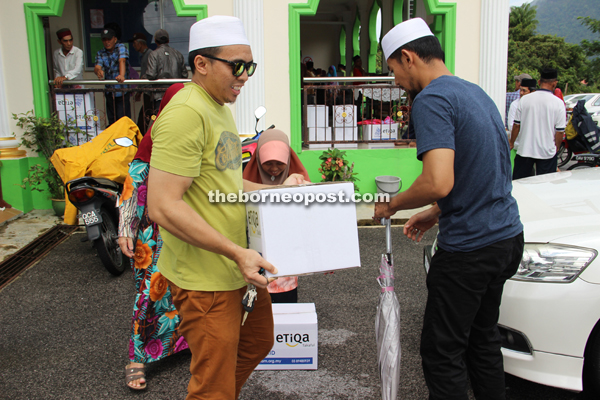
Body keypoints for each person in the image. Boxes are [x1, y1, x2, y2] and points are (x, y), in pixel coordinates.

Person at [145, 16, 305, 399]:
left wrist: (279, 191)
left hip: (237, 267)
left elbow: (228, 184)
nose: (245, 75)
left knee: (258, 342)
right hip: (207, 279)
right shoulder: (187, 113)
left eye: (249, 66)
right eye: (237, 66)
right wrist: (236, 252)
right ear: (202, 63)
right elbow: (162, 206)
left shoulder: (219, 106)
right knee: (212, 381)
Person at [375, 18, 524, 400]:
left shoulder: (432, 100)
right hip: (506, 237)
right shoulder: (474, 92)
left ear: (408, 57)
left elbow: (438, 180)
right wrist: (437, 211)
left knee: (442, 352)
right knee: (482, 339)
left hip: (470, 251)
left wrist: (392, 205)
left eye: (392, 69)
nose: (395, 81)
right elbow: (489, 169)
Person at [117, 83, 185, 391]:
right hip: (152, 234)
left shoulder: (192, 143)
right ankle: (137, 358)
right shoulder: (150, 146)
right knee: (151, 292)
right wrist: (124, 231)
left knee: (185, 290)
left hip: (187, 231)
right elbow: (131, 190)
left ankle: (183, 344)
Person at [243, 129, 310, 303]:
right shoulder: (244, 181)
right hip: (253, 260)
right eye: (268, 163)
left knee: (285, 307)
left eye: (280, 163)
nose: (274, 169)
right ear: (258, 159)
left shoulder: (299, 181)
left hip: (287, 261)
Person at [510, 68, 566, 179]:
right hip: (547, 152)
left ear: (539, 82)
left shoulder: (524, 100)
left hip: (525, 149)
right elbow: (559, 131)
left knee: (520, 184)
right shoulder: (558, 103)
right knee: (545, 186)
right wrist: (556, 147)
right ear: (555, 84)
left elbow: (516, 125)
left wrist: (512, 142)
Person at [94, 28, 130, 126]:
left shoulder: (121, 47)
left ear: (114, 39)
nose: (107, 42)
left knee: (123, 120)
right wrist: (99, 71)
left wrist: (121, 75)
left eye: (109, 39)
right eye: (104, 40)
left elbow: (122, 60)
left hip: (122, 91)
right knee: (112, 120)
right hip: (110, 91)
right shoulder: (100, 53)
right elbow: (97, 66)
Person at [146, 29, 189, 111]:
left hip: (160, 95)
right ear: (168, 40)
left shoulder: (154, 54)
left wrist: (144, 78)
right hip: (176, 94)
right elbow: (184, 75)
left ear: (155, 41)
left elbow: (151, 74)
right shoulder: (178, 54)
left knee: (161, 120)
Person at [128, 32, 154, 133]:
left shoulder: (150, 55)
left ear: (140, 43)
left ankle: (141, 140)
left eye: (134, 43)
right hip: (147, 91)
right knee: (144, 117)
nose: (134, 46)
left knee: (144, 117)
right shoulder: (144, 55)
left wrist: (139, 91)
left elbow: (145, 75)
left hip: (150, 91)